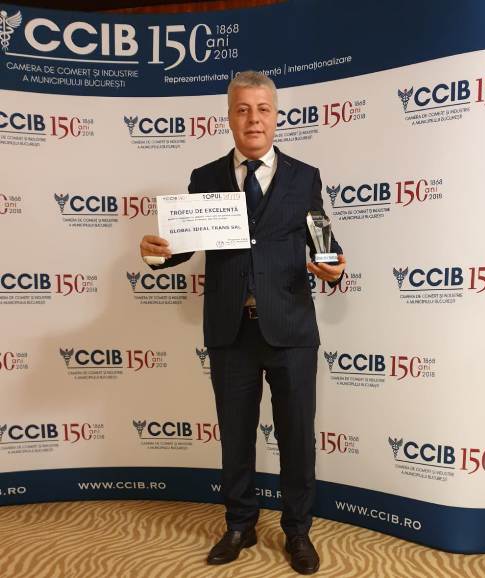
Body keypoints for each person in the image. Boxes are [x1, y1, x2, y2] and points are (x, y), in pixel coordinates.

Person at [140, 71, 345, 575]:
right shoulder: (205, 177)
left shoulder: (305, 177)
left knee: (297, 436)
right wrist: (157, 254)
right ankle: (239, 524)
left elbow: (323, 240)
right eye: (243, 109)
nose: (254, 119)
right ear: (229, 117)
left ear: (276, 117)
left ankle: (297, 530)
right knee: (235, 435)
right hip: (231, 330)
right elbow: (182, 244)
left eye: (263, 109)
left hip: (291, 329)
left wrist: (335, 267)